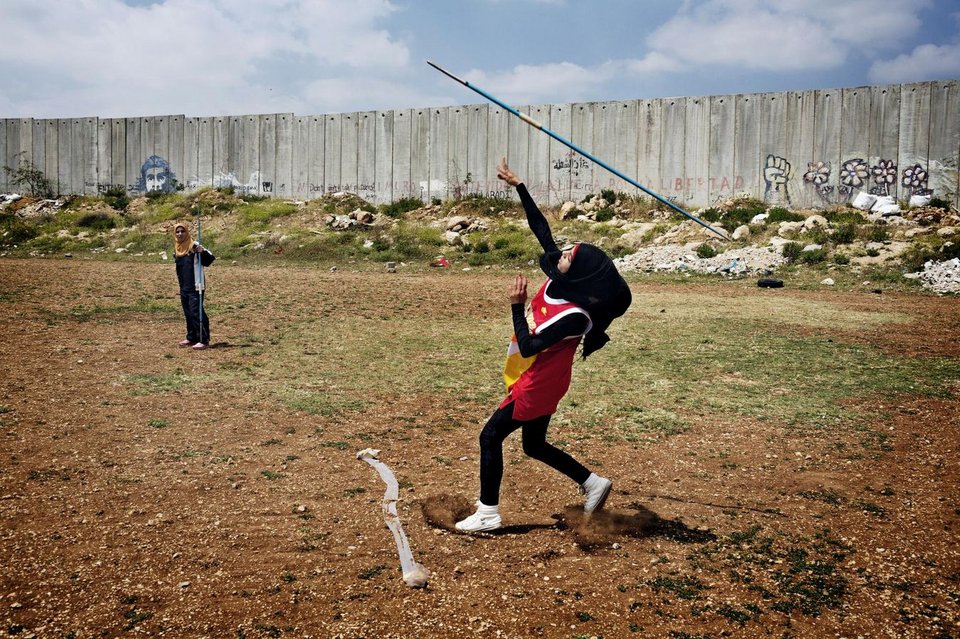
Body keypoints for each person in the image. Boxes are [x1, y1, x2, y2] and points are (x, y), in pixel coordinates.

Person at [455, 159, 633, 533]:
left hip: (540, 380)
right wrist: (520, 186)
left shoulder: (576, 315)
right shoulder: (564, 280)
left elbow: (532, 343)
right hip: (542, 374)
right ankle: (593, 482)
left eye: (570, 255)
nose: (563, 253)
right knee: (534, 445)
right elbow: (542, 231)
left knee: (490, 436)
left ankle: (488, 512)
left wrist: (517, 307)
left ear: (581, 273)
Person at [173, 222, 215, 350]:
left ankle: (203, 339)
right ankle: (192, 337)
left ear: (187, 232)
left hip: (196, 286)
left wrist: (201, 252)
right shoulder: (178, 248)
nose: (180, 234)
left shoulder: (195, 245)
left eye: (182, 231)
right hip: (184, 286)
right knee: (188, 312)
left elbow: (210, 259)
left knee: (196, 312)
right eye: (177, 232)